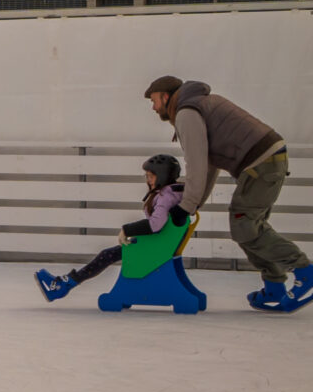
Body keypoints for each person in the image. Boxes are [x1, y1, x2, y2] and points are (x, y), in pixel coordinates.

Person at [145, 76, 309, 312]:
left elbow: (197, 164)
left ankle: (304, 271)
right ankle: (274, 286)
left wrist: (186, 207)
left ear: (166, 96)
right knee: (251, 226)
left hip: (260, 163)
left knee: (244, 226)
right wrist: (195, 202)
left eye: (154, 100)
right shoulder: (197, 105)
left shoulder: (186, 113)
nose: (153, 107)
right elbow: (210, 164)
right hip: (268, 159)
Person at [36, 155, 187, 301]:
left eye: (151, 176)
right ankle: (66, 283)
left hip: (154, 247)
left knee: (106, 255)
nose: (147, 180)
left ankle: (64, 286)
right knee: (108, 254)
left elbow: (156, 224)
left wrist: (127, 230)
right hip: (158, 244)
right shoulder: (173, 193)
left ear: (162, 176)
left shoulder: (166, 197)